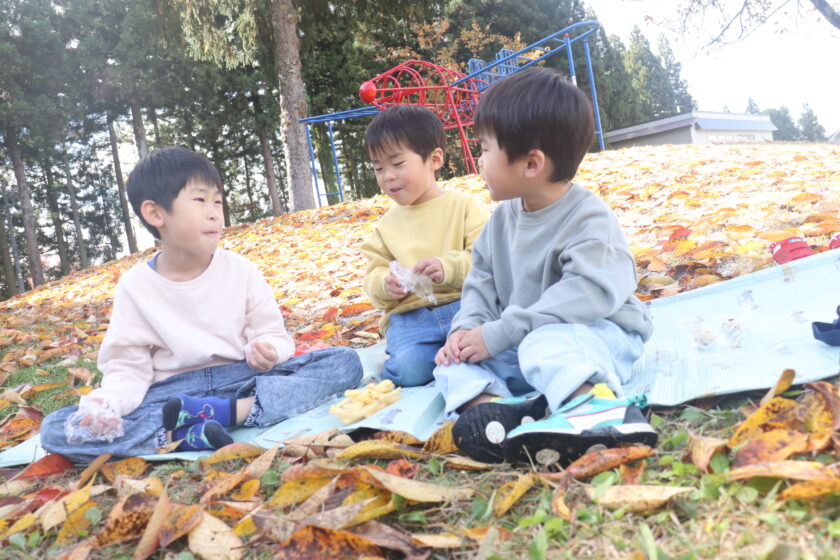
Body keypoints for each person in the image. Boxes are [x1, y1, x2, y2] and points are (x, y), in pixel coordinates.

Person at [40, 147, 362, 463]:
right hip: (171, 394)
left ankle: (216, 417)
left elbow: (273, 334)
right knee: (56, 428)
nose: (214, 213)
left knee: (343, 362)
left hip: (240, 379)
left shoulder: (240, 270)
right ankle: (187, 433)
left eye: (218, 201)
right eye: (200, 200)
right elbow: (128, 367)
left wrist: (269, 351)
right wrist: (108, 403)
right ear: (156, 214)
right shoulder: (136, 286)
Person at [433, 67, 657, 466]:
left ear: (531, 163)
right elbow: (481, 284)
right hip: (522, 342)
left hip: (595, 336)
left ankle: (596, 411)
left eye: (485, 149)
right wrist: (466, 332)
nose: (478, 161)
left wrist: (504, 331)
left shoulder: (588, 218)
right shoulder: (500, 221)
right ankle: (498, 411)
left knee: (547, 342)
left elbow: (585, 297)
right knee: (449, 364)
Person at [360, 105, 490, 387]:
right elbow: (372, 276)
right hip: (411, 317)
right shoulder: (384, 228)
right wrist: (385, 285)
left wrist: (448, 267)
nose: (387, 176)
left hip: (466, 304)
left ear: (434, 159)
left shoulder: (464, 207)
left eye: (397, 164)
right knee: (408, 370)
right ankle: (440, 363)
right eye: (378, 168)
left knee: (493, 351)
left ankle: (456, 366)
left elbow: (487, 260)